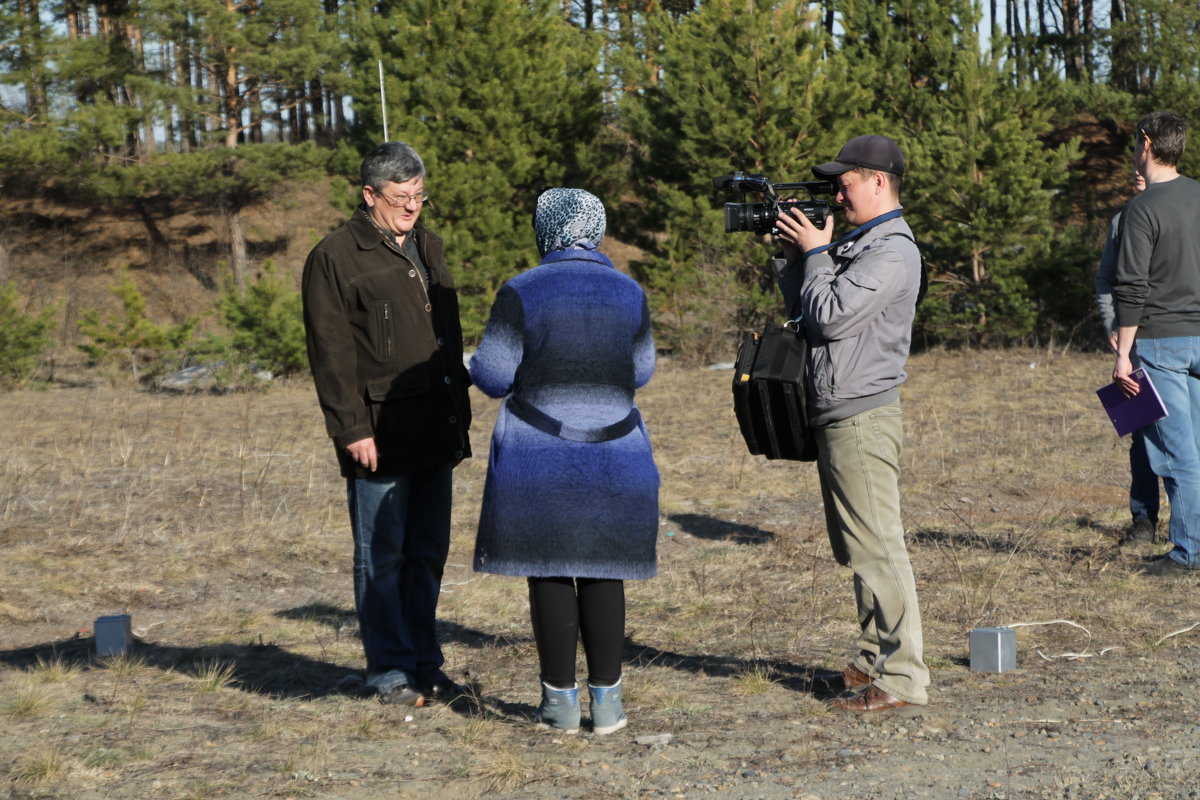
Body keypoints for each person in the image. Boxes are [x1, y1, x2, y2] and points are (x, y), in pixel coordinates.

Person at [469, 188, 658, 735]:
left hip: (540, 455)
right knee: (604, 571)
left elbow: (495, 375)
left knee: (549, 568)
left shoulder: (521, 291)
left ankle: (559, 705)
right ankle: (609, 707)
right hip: (617, 453)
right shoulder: (629, 291)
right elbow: (641, 370)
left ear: (543, 228)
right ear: (595, 230)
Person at [302, 142, 473, 705]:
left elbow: (446, 340)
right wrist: (351, 428)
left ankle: (426, 662)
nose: (413, 208)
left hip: (435, 427)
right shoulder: (334, 257)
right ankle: (389, 670)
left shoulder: (429, 246)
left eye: (420, 195)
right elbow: (331, 355)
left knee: (427, 553)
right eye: (401, 198)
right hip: (378, 433)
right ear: (369, 194)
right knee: (381, 556)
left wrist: (459, 413)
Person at [772, 135, 929, 712]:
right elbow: (806, 313)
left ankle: (904, 678)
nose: (837, 193)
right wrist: (797, 256)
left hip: (863, 413)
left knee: (879, 546)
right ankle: (873, 660)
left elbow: (832, 318)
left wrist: (817, 252)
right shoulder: (862, 243)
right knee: (857, 546)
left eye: (846, 181)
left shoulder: (892, 251)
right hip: (840, 408)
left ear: (879, 181)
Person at [1112, 111, 1200, 576]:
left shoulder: (1141, 209)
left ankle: (1187, 554)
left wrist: (1124, 355)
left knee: (1180, 455)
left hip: (1162, 342)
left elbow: (1131, 286)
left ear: (1147, 145)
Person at [1094, 166, 1162, 544]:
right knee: (1141, 430)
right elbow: (1107, 278)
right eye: (1135, 162)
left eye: (1145, 161)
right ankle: (1143, 521)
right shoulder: (1122, 220)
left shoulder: (1185, 208)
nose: (1137, 171)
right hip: (1133, 342)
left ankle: (1189, 524)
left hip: (1179, 336)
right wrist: (1113, 325)